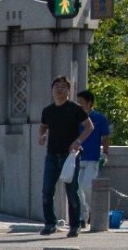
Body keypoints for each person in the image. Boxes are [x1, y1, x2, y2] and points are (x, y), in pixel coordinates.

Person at [38, 76, 90, 236]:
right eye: (56, 87)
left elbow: (89, 127)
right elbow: (43, 127)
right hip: (52, 155)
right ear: (52, 90)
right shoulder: (48, 111)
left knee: (71, 191)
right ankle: (50, 223)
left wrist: (78, 141)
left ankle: (74, 225)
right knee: (47, 191)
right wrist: (43, 135)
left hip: (70, 156)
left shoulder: (74, 108)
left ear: (68, 90)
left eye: (63, 87)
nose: (59, 89)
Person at [75, 89, 112, 234]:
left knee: (87, 186)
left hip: (93, 158)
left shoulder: (99, 118)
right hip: (78, 157)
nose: (79, 105)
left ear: (89, 103)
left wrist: (105, 154)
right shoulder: (77, 118)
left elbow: (106, 137)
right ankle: (82, 217)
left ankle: (92, 212)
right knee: (77, 188)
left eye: (81, 102)